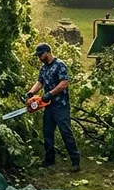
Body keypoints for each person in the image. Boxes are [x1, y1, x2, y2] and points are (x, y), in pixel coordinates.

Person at [26, 42, 81, 172]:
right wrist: (30, 93)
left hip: (61, 105)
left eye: (40, 55)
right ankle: (49, 159)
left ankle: (75, 161)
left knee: (65, 132)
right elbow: (40, 82)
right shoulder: (44, 68)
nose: (39, 57)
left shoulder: (60, 65)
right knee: (47, 132)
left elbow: (64, 83)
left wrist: (50, 94)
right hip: (48, 105)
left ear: (47, 53)